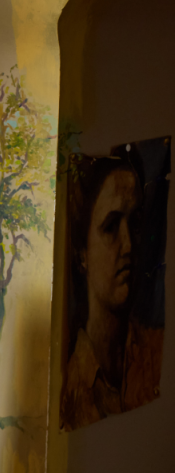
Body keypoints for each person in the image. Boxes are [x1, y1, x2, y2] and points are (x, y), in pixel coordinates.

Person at [61, 156, 163, 431]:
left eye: (136, 223)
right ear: (82, 253)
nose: (129, 245)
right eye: (111, 227)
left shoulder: (156, 350)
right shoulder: (69, 387)